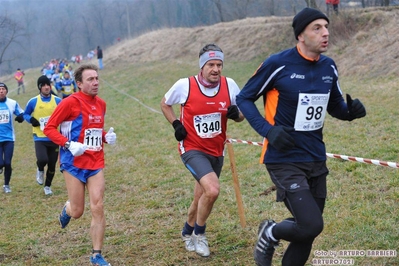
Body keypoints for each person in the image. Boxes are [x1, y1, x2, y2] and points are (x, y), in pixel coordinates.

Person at [236, 8, 366, 266]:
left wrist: (350, 112)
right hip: (283, 157)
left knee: (307, 232)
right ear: (301, 36)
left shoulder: (329, 66)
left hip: (315, 155)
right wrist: (268, 130)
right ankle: (270, 232)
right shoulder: (278, 64)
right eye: (317, 28)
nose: (325, 33)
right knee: (310, 224)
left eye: (326, 27)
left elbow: (334, 105)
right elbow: (243, 98)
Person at [160, 44, 244, 257]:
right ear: (202, 66)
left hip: (216, 150)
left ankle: (187, 232)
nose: (216, 69)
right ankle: (200, 234)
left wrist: (236, 114)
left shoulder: (229, 84)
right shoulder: (185, 85)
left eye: (219, 65)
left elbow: (242, 113)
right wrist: (176, 124)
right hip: (191, 148)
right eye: (211, 65)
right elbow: (165, 103)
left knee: (201, 196)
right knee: (213, 190)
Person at [43, 64, 116, 265]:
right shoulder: (69, 103)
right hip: (73, 162)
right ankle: (67, 209)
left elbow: (92, 131)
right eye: (90, 79)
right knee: (78, 211)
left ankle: (96, 255)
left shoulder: (101, 104)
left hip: (95, 162)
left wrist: (105, 137)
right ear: (79, 83)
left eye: (97, 78)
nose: (95, 82)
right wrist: (68, 144)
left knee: (98, 206)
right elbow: (49, 128)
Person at [23, 76, 62, 195]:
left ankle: (47, 187)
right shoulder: (33, 101)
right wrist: (31, 119)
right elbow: (25, 114)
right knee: (42, 159)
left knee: (52, 163)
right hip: (39, 136)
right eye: (43, 85)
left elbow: (66, 114)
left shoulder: (57, 101)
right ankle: (40, 169)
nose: (46, 87)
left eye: (48, 85)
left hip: (54, 137)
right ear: (39, 87)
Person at [0, 82, 24, 193]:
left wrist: (20, 117)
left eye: (3, 89)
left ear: (6, 91)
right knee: (1, 163)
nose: (1, 91)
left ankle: (6, 185)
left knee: (8, 163)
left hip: (9, 138)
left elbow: (22, 113)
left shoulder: (12, 103)